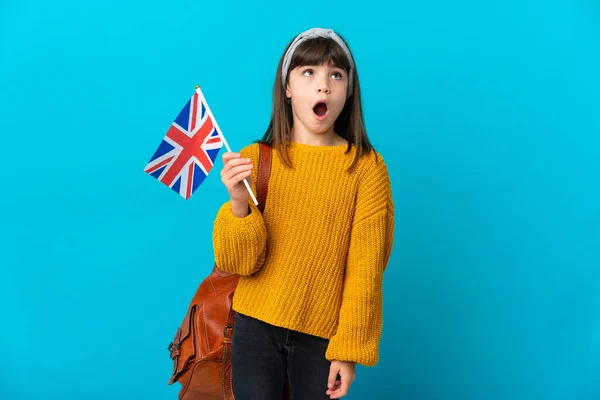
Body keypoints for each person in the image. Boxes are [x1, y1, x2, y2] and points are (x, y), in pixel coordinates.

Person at [212, 27, 395, 400]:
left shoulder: (365, 168)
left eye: (336, 75)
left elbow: (366, 267)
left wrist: (349, 349)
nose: (323, 85)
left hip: (322, 340)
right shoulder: (255, 159)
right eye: (308, 72)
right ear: (288, 88)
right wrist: (238, 204)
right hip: (254, 329)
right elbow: (238, 262)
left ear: (348, 91)